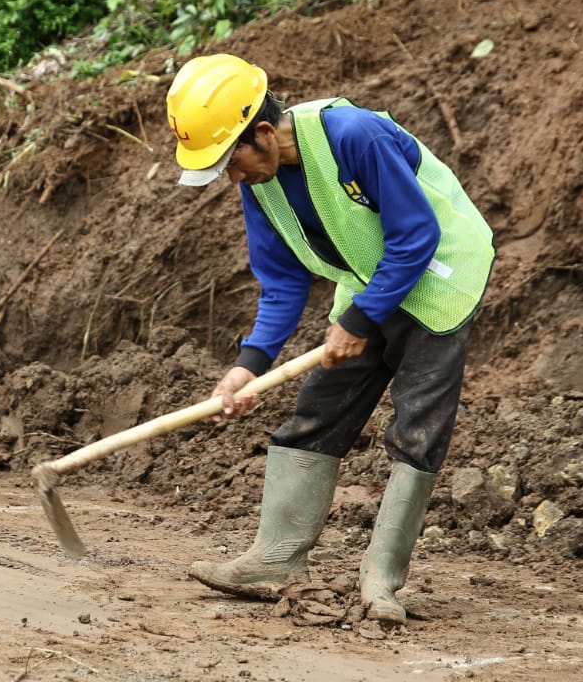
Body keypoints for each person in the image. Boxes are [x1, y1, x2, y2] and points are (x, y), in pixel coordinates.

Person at [167, 54, 494, 623]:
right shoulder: (261, 186)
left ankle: (381, 583)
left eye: (231, 160)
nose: (232, 177)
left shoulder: (354, 135)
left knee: (417, 429)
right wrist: (250, 364)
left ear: (264, 133)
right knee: (317, 412)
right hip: (371, 283)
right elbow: (282, 282)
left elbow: (417, 235)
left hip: (441, 275)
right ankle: (276, 559)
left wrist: (361, 321)